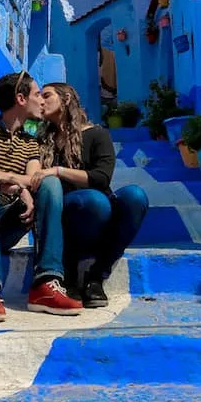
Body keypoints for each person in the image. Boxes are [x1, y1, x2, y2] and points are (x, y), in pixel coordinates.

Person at [0, 72, 84, 322]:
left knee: (50, 182)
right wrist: (9, 182)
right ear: (20, 98)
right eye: (36, 95)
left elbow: (34, 179)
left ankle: (47, 282)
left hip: (3, 228)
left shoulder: (30, 143)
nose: (41, 101)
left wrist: (9, 178)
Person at [33, 82, 149, 307]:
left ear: (66, 99)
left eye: (46, 95)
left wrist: (58, 171)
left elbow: (101, 178)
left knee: (135, 196)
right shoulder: (41, 141)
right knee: (94, 201)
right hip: (68, 217)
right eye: (38, 96)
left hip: (100, 216)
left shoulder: (97, 134)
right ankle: (70, 274)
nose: (41, 101)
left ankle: (96, 276)